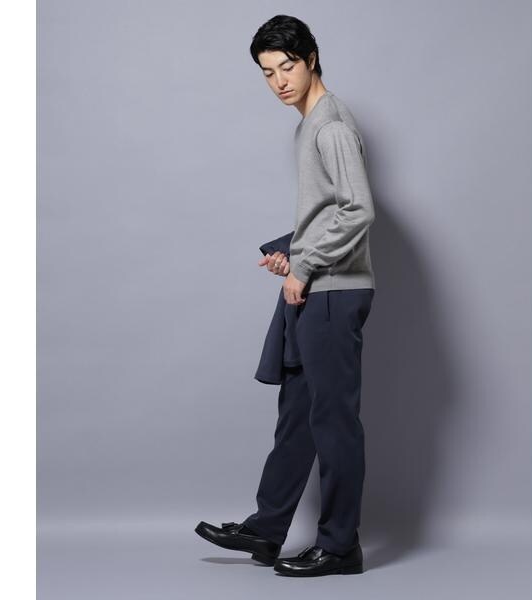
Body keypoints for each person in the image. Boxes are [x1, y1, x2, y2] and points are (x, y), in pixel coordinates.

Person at [195, 14, 376, 577]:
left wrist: (308, 264)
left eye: (287, 66)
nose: (278, 81)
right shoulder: (309, 123)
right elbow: (327, 212)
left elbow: (358, 210)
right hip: (316, 286)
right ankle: (267, 529)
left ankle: (340, 546)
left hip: (334, 292)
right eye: (267, 72)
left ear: (311, 59)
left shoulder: (330, 126)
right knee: (297, 415)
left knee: (334, 422)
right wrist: (290, 252)